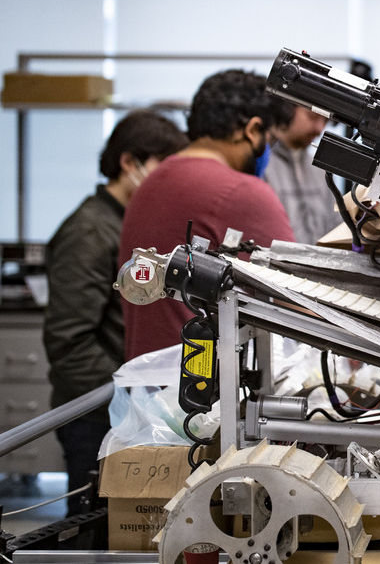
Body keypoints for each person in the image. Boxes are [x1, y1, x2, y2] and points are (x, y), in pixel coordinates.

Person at [42, 109, 187, 515]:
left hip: (120, 408)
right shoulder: (90, 231)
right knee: (90, 532)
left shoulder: (128, 225)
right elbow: (69, 343)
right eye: (162, 168)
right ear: (129, 163)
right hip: (94, 413)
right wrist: (129, 394)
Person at [120, 69, 296, 359]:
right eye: (270, 141)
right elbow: (299, 296)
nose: (268, 152)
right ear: (252, 130)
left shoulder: (153, 180)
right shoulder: (241, 190)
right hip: (203, 389)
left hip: (151, 385)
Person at [262, 98, 339, 245]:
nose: (319, 128)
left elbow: (335, 227)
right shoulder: (259, 165)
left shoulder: (321, 170)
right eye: (313, 117)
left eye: (325, 121)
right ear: (286, 110)